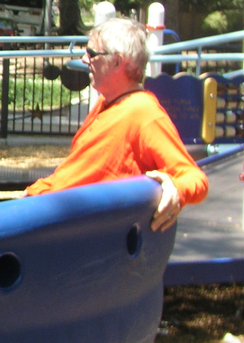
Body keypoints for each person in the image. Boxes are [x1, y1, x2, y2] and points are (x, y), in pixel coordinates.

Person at [25, 16, 208, 231]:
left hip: (75, 233)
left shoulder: (143, 113)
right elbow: (74, 174)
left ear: (117, 62)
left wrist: (177, 190)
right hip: (48, 213)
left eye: (92, 54)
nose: (84, 59)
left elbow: (194, 178)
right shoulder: (107, 103)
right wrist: (30, 197)